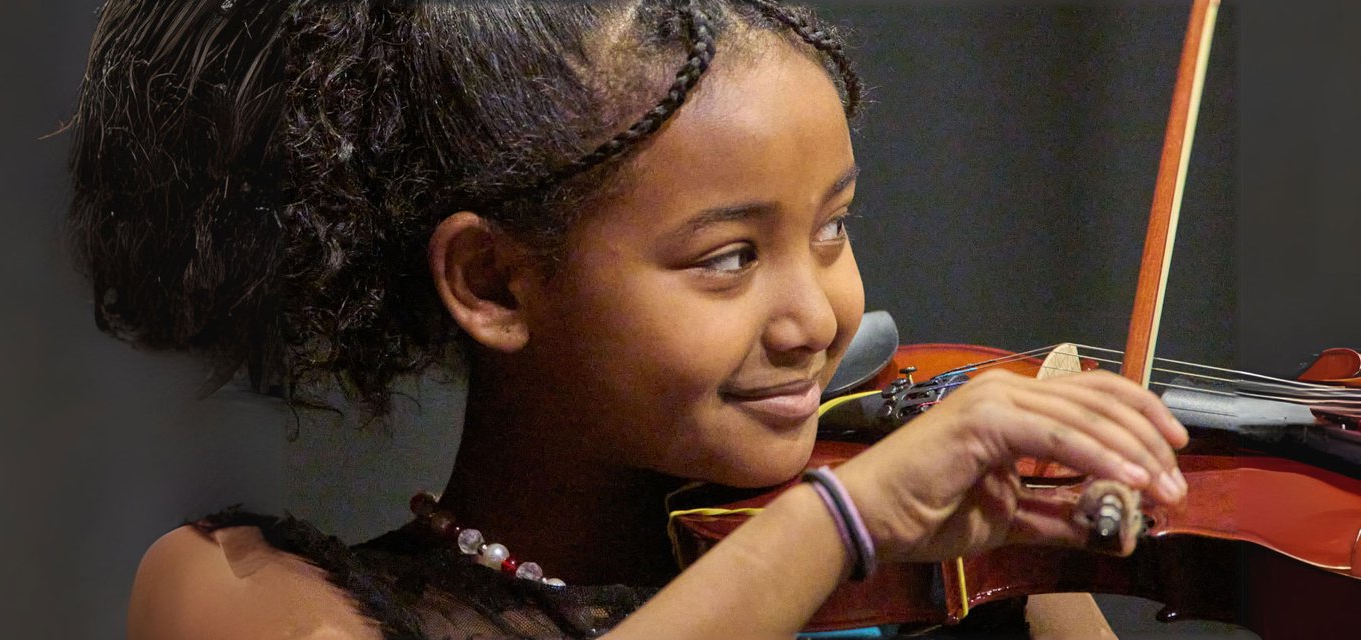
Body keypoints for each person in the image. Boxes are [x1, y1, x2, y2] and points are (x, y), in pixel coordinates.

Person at [66, 1, 1189, 638]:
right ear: (495, 284)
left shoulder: (952, 585)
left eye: (834, 229)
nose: (815, 314)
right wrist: (837, 521)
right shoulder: (243, 598)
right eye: (729, 257)